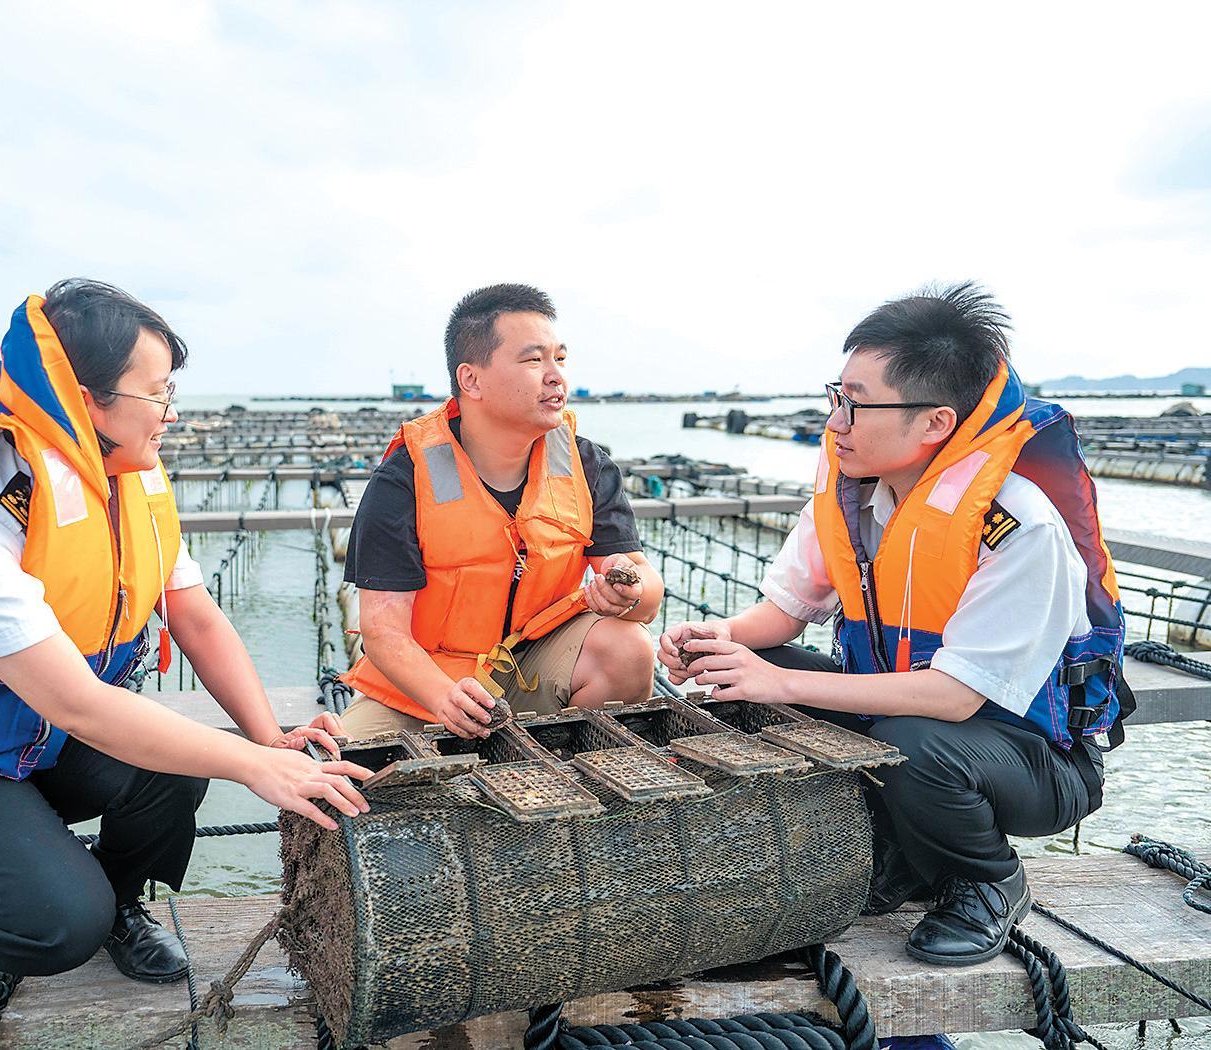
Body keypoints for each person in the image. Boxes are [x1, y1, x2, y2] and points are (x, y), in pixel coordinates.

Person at [0, 279, 371, 1006]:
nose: (171, 414)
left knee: (175, 767)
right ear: (85, 400)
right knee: (58, 928)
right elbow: (80, 704)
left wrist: (266, 737)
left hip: (41, 742)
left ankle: (120, 899)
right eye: (157, 394)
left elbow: (195, 616)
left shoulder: (130, 483)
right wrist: (255, 768)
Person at [657, 282, 1128, 966]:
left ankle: (987, 879)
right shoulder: (854, 497)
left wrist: (778, 684)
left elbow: (954, 698)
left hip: (1032, 759)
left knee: (911, 742)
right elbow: (783, 615)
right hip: (903, 717)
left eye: (855, 403)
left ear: (934, 423)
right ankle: (884, 857)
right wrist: (715, 639)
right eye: (835, 396)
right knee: (747, 677)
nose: (835, 422)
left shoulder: (1017, 524)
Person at [340, 283, 663, 740]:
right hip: (424, 684)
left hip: (534, 665)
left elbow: (647, 590)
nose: (556, 376)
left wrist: (629, 590)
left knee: (629, 647)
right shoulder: (404, 478)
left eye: (560, 358)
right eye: (533, 360)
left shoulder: (585, 464)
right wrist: (444, 698)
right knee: (346, 765)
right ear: (471, 380)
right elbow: (383, 632)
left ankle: (569, 762)